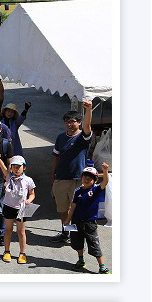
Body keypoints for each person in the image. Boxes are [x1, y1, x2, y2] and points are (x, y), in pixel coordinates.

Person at [50, 100, 93, 243]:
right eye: (67, 121)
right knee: (63, 209)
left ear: (79, 122)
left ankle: (77, 236)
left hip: (77, 179)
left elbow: (88, 126)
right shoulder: (60, 137)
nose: (69, 124)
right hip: (61, 178)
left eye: (72, 121)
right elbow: (56, 158)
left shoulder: (83, 137)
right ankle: (66, 233)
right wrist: (53, 176)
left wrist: (89, 110)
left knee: (77, 210)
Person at [65, 162, 111, 274]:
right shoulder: (78, 191)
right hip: (76, 221)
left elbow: (105, 182)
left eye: (90, 178)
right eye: (85, 177)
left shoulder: (96, 189)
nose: (86, 179)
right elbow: (73, 206)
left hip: (89, 223)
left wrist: (105, 170)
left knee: (94, 244)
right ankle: (81, 260)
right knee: (77, 242)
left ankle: (102, 266)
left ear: (95, 180)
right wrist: (68, 220)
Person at [0, 154, 36, 264]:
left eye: (19, 167)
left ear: (24, 167)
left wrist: (29, 201)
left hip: (21, 208)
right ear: (11, 168)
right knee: (8, 230)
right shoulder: (9, 176)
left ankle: (22, 253)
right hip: (8, 206)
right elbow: (2, 167)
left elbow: (32, 194)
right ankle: (6, 251)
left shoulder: (28, 180)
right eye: (14, 167)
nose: (16, 169)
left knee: (21, 232)